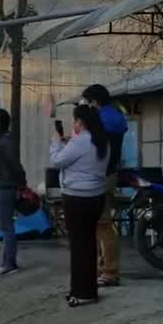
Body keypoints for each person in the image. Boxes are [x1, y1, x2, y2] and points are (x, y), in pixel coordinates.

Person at [50, 105, 111, 307]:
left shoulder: (81, 141)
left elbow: (57, 161)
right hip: (95, 197)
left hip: (77, 198)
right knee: (88, 245)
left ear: (80, 122)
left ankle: (82, 293)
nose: (73, 124)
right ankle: (85, 290)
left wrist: (56, 142)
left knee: (78, 247)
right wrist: (68, 144)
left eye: (74, 121)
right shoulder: (101, 140)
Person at [82, 84, 129, 288]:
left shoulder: (104, 120)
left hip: (102, 175)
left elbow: (94, 144)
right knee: (99, 225)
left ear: (94, 101)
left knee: (102, 224)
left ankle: (109, 271)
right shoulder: (115, 116)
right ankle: (103, 268)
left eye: (87, 102)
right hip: (108, 173)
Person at [0, 108, 26, 276]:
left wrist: (21, 185)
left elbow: (15, 165)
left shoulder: (6, 141)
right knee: (5, 226)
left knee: (7, 227)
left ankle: (9, 263)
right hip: (2, 185)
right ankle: (6, 261)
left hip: (7, 187)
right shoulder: (0, 140)